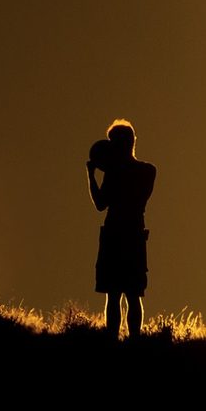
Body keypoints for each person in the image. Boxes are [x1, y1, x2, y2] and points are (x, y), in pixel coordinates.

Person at [87, 119, 156, 340]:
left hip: (115, 234)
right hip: (134, 235)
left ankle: (112, 340)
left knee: (114, 294)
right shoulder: (147, 171)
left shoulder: (115, 173)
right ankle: (134, 340)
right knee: (133, 294)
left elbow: (100, 204)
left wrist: (91, 176)